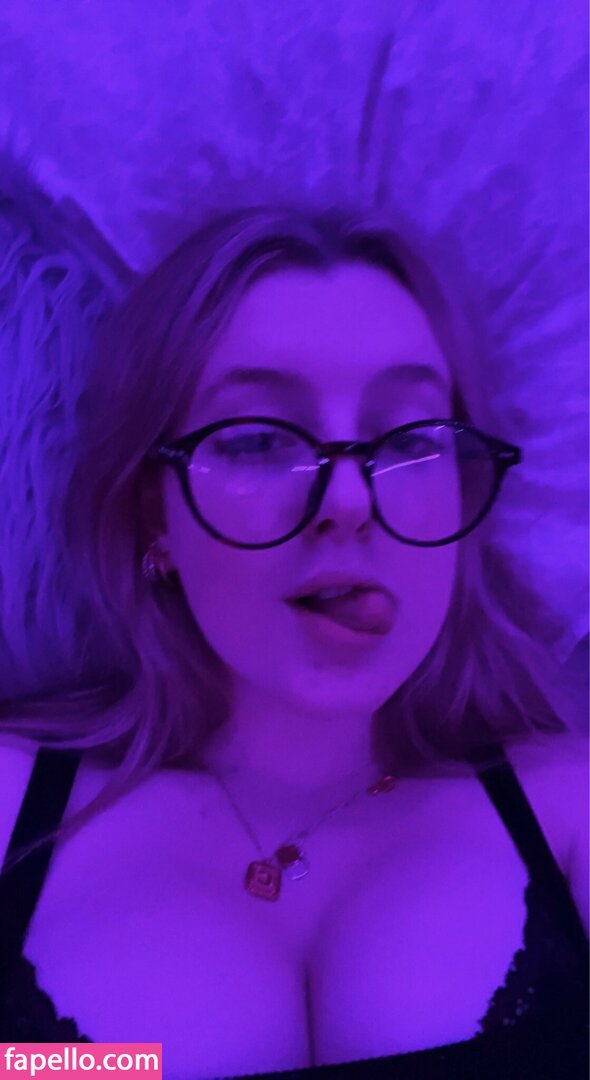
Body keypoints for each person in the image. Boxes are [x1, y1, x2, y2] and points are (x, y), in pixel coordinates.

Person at [0, 203, 587, 1079]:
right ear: (153, 514)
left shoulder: (570, 810)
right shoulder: (12, 801)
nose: (349, 500)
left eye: (410, 440)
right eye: (258, 440)